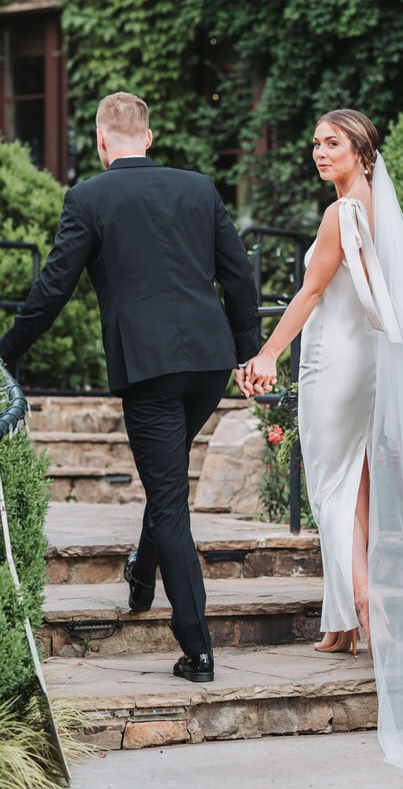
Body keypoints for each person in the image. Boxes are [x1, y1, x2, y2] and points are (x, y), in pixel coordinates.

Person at [245, 110, 403, 788]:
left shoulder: (341, 217)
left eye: (333, 143)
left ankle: (370, 609)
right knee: (351, 481)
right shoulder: (368, 207)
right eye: (315, 143)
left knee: (330, 485)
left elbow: (310, 290)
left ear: (361, 151)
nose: (318, 152)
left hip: (334, 360)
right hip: (365, 361)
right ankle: (340, 623)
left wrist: (269, 352)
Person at [0, 91, 260, 683]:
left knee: (169, 500)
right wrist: (248, 351)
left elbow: (53, 289)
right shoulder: (199, 187)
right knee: (166, 480)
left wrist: (5, 351)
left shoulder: (88, 197)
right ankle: (142, 574)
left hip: (149, 368)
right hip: (208, 364)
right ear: (148, 137)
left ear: (100, 141)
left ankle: (197, 651)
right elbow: (238, 275)